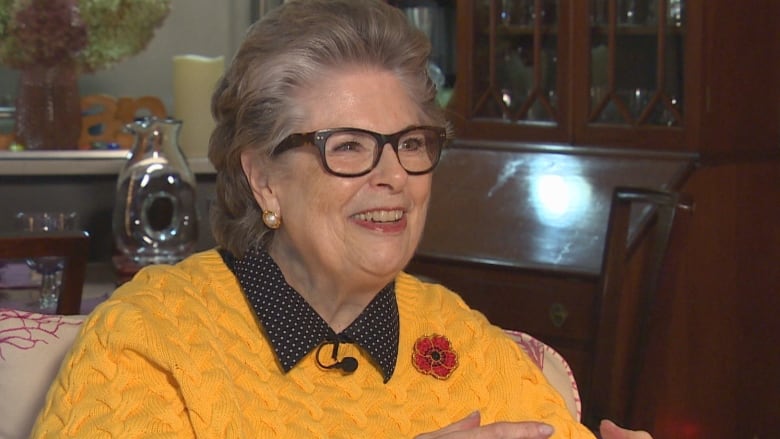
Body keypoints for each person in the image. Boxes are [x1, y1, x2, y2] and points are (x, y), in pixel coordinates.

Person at [32, 0, 652, 437]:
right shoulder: (152, 338)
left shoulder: (464, 343)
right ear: (263, 177)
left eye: (411, 143)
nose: (395, 177)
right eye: (349, 146)